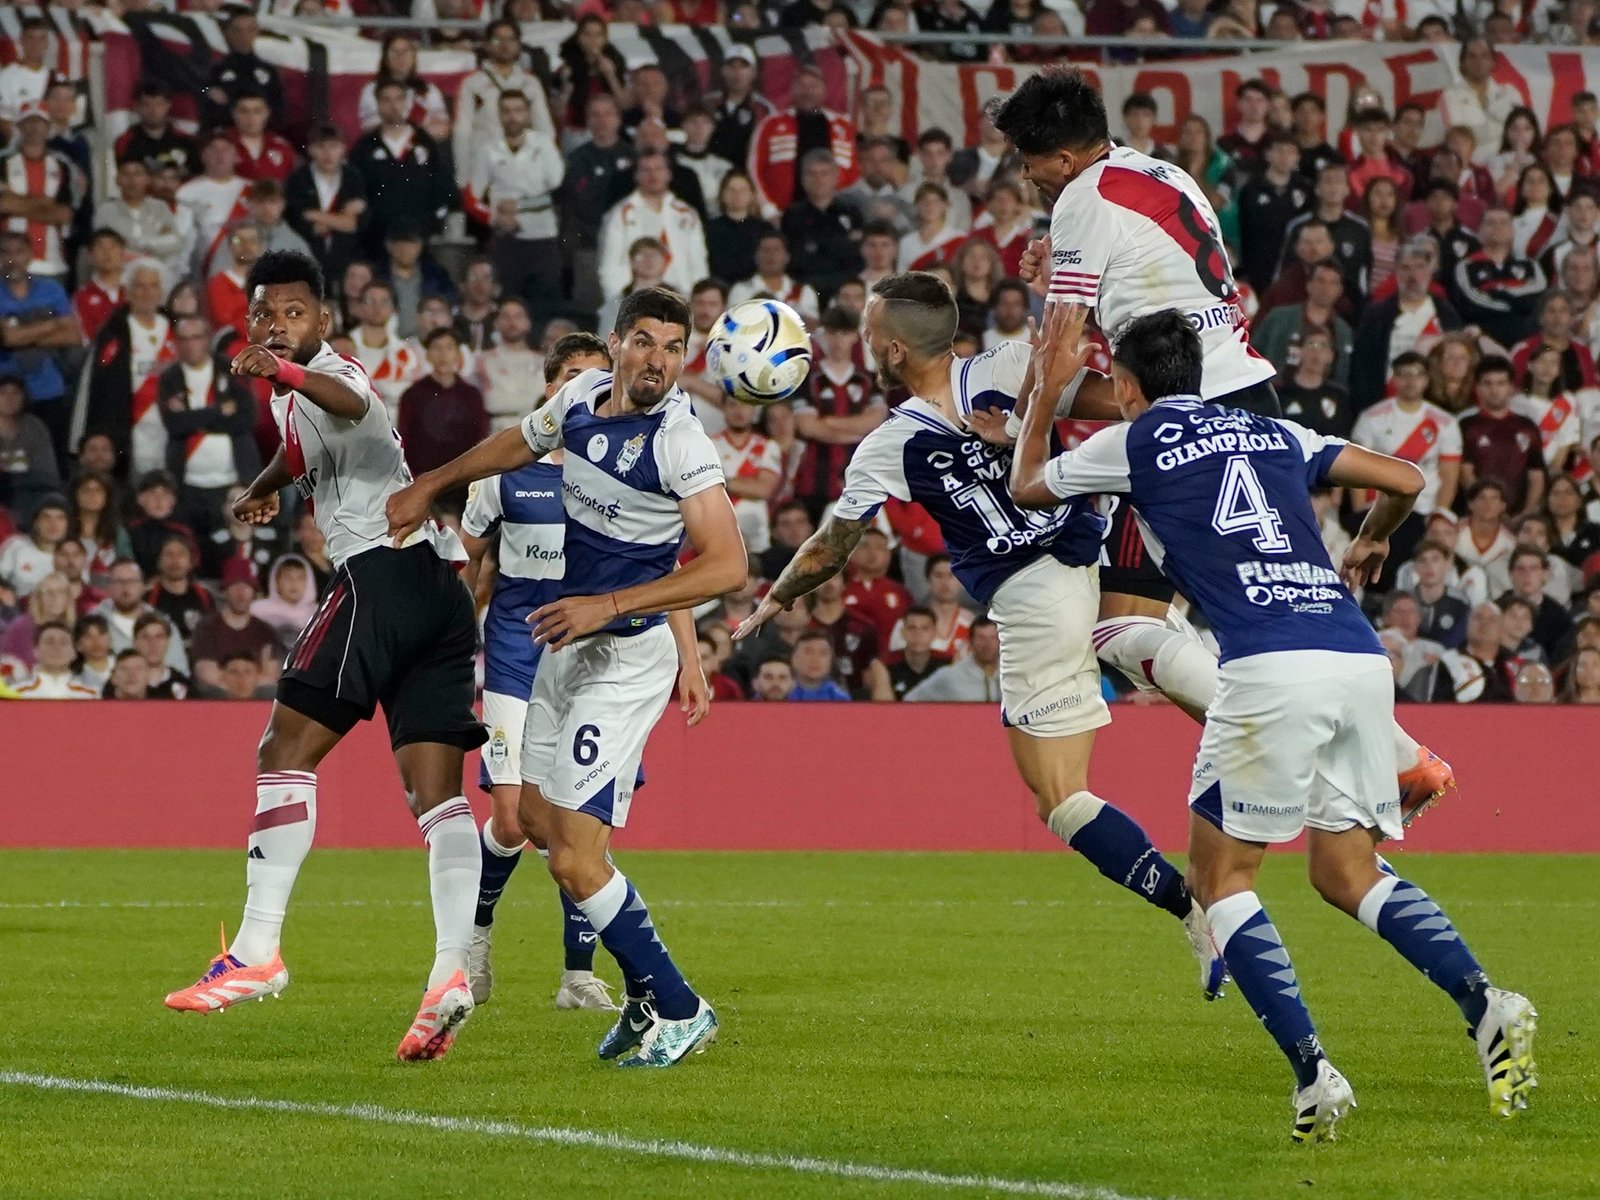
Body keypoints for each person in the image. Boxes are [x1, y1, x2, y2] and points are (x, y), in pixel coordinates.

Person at [1011, 304, 1537, 1140]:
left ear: (1127, 385)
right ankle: (1488, 1002)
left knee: (1222, 882)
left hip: (1267, 666)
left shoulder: (1134, 441)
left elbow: (1026, 486)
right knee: (1344, 874)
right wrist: (1369, 540)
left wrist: (1040, 398)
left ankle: (1313, 1075)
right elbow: (1405, 478)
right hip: (1357, 657)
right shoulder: (1276, 433)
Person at [737, 272, 1227, 999]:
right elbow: (1117, 402)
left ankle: (1195, 915)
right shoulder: (1006, 366)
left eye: (872, 336)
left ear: (894, 350)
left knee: (1060, 797)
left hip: (1037, 596)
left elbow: (830, 549)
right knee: (1208, 691)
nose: (866, 345)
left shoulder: (891, 444)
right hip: (1101, 551)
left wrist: (772, 600)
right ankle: (1340, 752)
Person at [385, 286, 745, 1068]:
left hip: (623, 655)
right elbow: (515, 443)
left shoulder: (680, 441)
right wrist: (431, 484)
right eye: (644, 341)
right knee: (543, 829)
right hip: (565, 646)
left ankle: (679, 1006)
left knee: (576, 857)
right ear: (614, 344)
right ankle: (650, 997)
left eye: (673, 347)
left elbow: (728, 563)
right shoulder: (581, 397)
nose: (658, 359)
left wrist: (608, 604)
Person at [162, 251, 489, 1067]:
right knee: (437, 799)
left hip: (380, 580)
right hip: (441, 595)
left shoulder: (333, 373)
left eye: (295, 313)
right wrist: (269, 482)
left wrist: (283, 369)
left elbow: (348, 403)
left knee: (282, 752)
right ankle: (452, 973)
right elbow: (312, 447)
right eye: (265, 315)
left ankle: (259, 949)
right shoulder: (292, 401)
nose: (279, 326)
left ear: (323, 322)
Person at [461, 332, 639, 1011]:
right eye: (573, 376)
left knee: (581, 823)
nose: (586, 389)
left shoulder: (630, 474)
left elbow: (663, 571)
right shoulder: (506, 474)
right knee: (514, 820)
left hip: (596, 664)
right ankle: (475, 944)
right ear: (549, 390)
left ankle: (576, 977)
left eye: (599, 377)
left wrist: (687, 656)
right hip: (514, 658)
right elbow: (466, 566)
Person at [464, 91, 564, 317]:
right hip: (507, 241)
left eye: (518, 110)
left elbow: (557, 186)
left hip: (543, 238)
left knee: (545, 308)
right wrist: (494, 217)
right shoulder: (489, 150)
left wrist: (518, 206)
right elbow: (471, 198)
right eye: (506, 111)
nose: (512, 117)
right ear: (499, 114)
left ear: (528, 114)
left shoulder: (543, 144)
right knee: (505, 305)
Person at [1459, 356, 1547, 517]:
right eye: (1488, 383)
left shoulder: (1527, 426)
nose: (1494, 390)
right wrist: (1489, 508)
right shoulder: (1466, 426)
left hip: (1518, 517)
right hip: (1476, 517)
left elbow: (1536, 475)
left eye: (1501, 383)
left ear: (1511, 388)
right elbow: (1465, 473)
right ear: (1477, 388)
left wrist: (1526, 514)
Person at [189, 557, 279, 690]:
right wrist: (247, 683)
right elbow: (206, 673)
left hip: (256, 702)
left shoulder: (265, 631)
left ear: (254, 592)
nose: (241, 592)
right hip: (217, 700)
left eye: (247, 586)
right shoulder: (207, 628)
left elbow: (271, 676)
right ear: (225, 590)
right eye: (235, 585)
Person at [13, 619, 97, 699]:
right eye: (49, 642)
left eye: (63, 642)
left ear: (74, 652)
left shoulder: (90, 696)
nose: (57, 648)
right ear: (35, 651)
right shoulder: (15, 694)